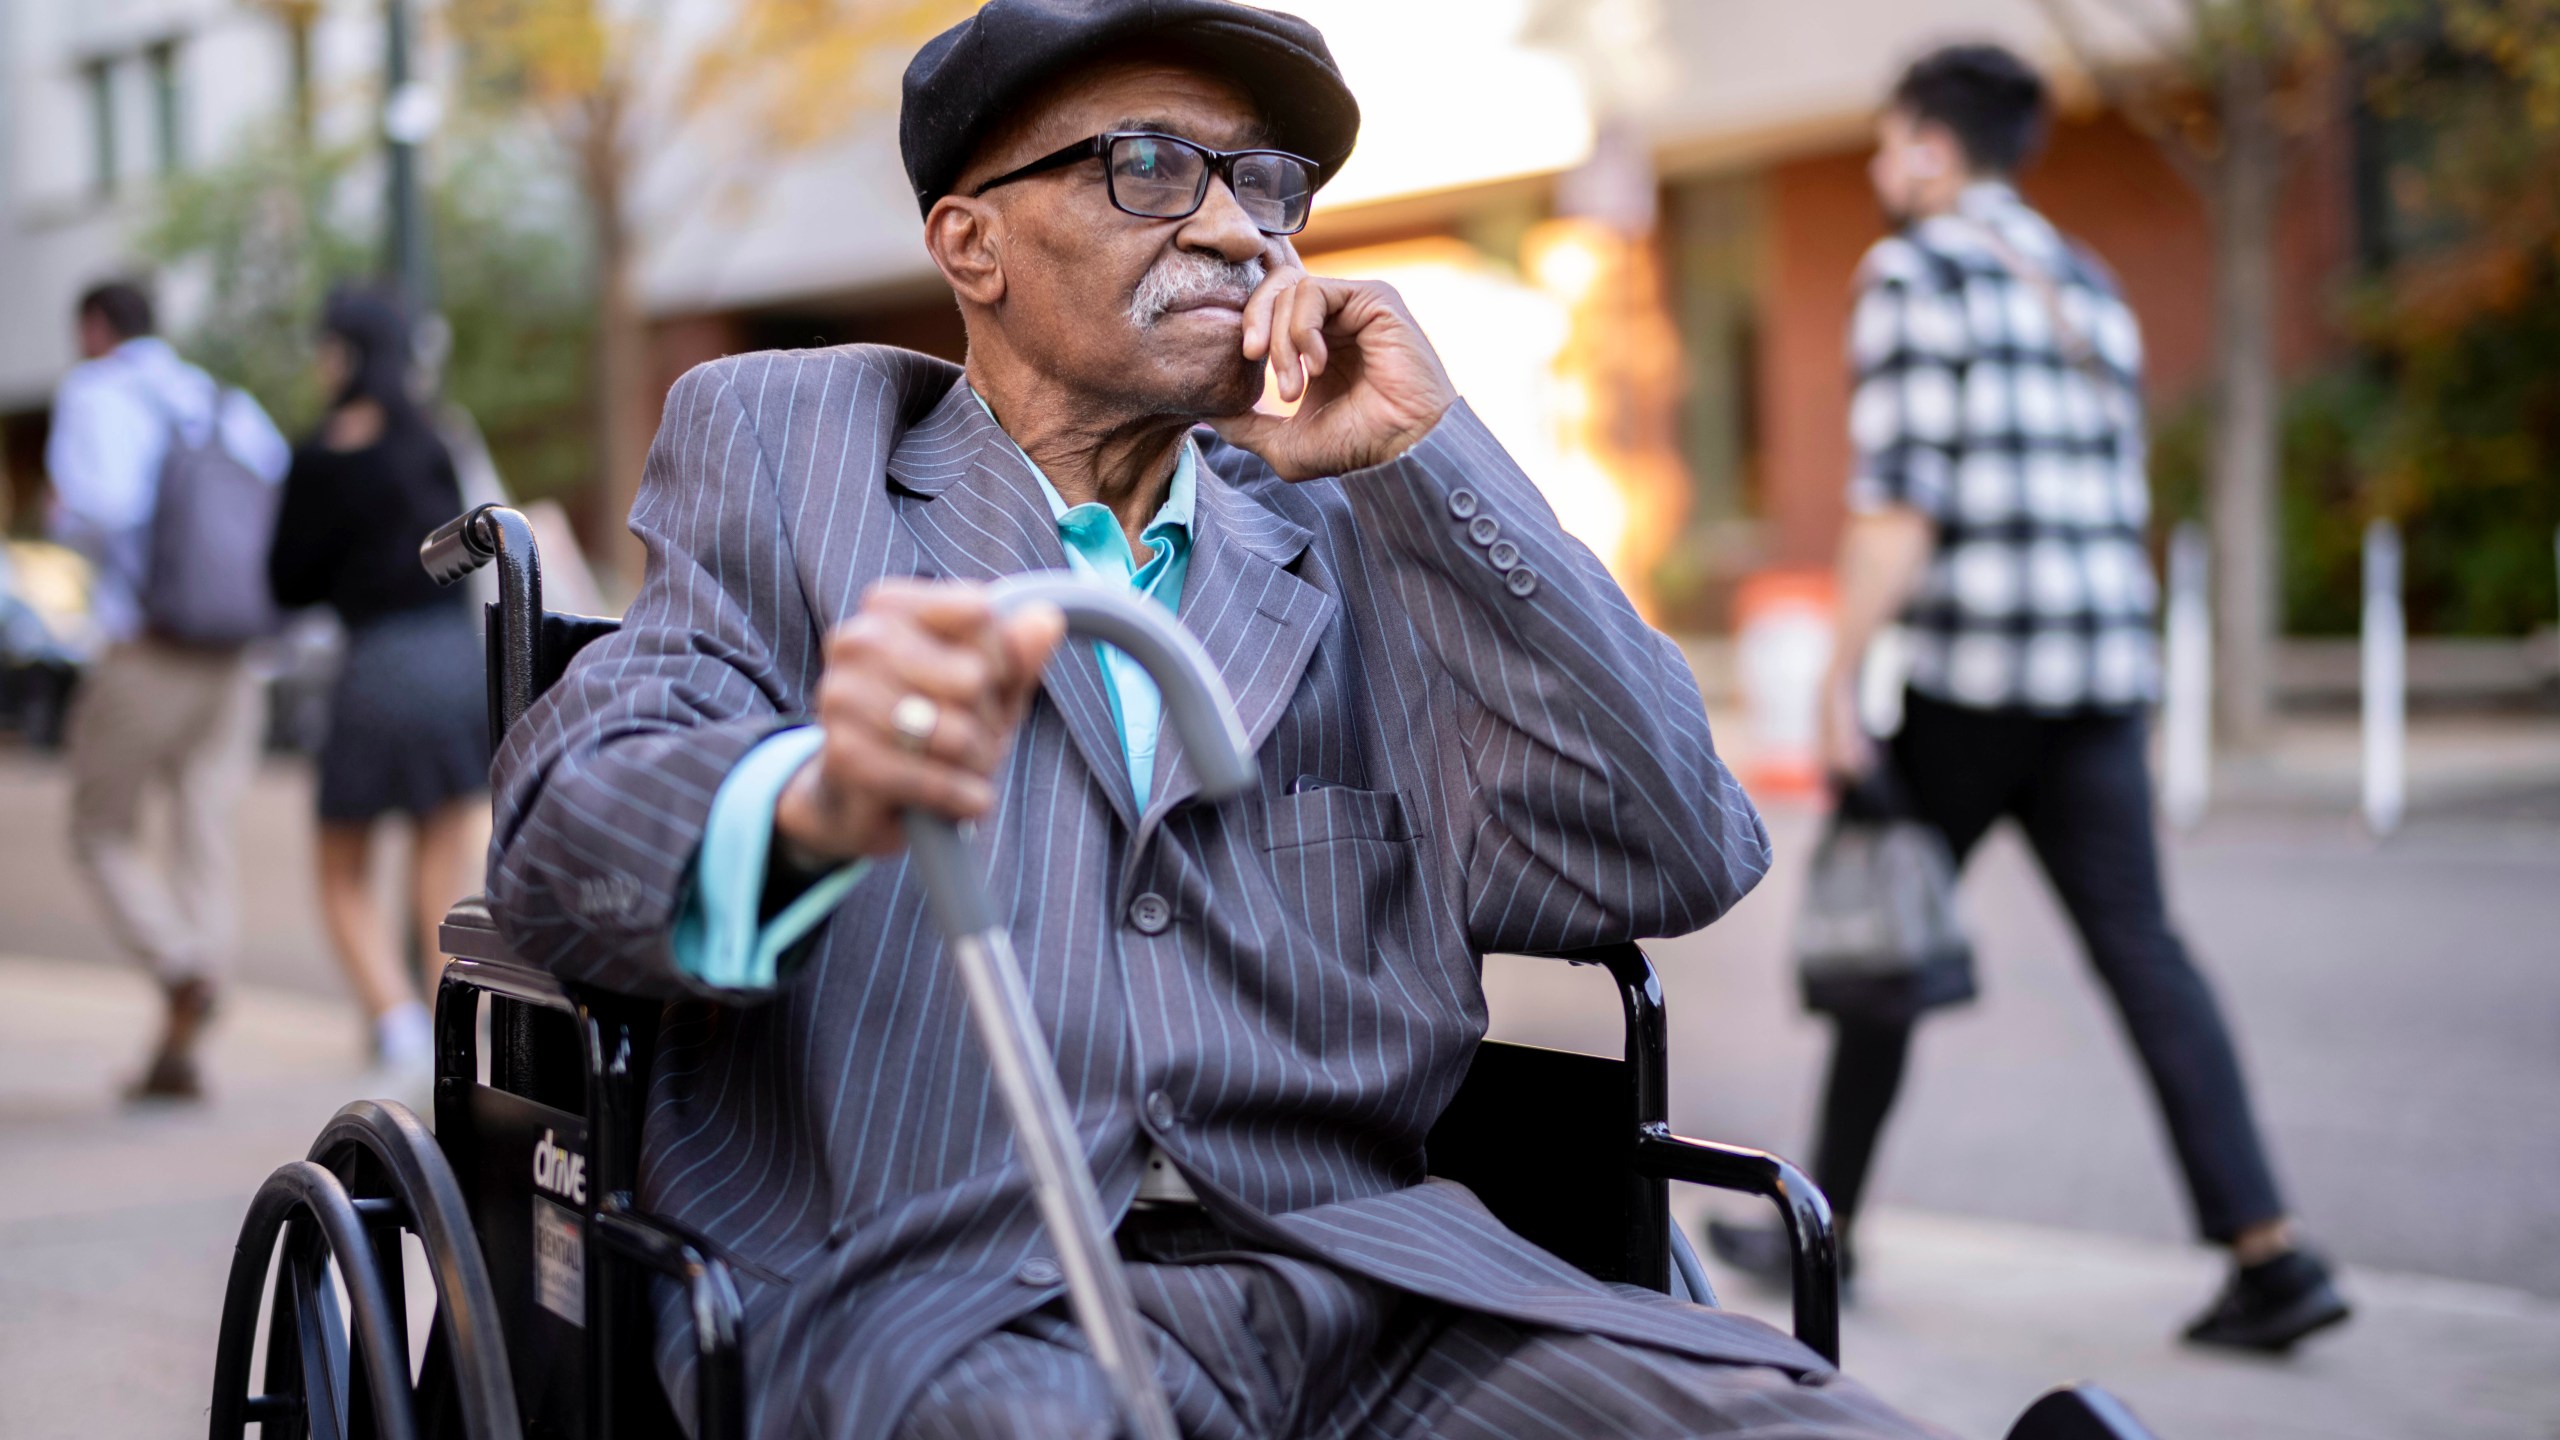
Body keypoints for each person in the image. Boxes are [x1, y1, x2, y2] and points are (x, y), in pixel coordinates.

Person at [486, 2, 1957, 1435]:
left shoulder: (1354, 524)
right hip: (950, 1302)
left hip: (1374, 1293)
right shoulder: (796, 457)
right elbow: (568, 824)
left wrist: (1431, 465)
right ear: (971, 241)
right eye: (1146, 166)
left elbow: (1679, 849)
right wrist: (811, 796)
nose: (1234, 227)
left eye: (1264, 183)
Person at [1705, 44, 2350, 1354]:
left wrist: (1839, 677)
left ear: (1935, 148)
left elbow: (1899, 501)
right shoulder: (2084, 280)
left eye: (1892, 144)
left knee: (1884, 933)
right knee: (2144, 951)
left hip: (1979, 677)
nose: (1887, 170)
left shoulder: (1914, 267)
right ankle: (2268, 1251)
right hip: (2101, 672)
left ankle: (1822, 1224)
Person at [46, 280, 290, 1100]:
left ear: (95, 327)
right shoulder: (220, 401)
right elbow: (278, 500)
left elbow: (101, 508)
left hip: (147, 647)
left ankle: (181, 964)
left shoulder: (95, 392)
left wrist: (60, 520)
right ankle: (185, 1044)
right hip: (234, 654)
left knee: (98, 827)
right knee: (203, 833)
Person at [268, 287, 490, 1080]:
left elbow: (286, 580)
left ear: (349, 352)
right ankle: (443, 1031)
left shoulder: (321, 456)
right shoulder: (433, 438)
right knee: (442, 865)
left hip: (373, 668)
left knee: (341, 871)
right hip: (455, 661)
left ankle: (392, 1019)